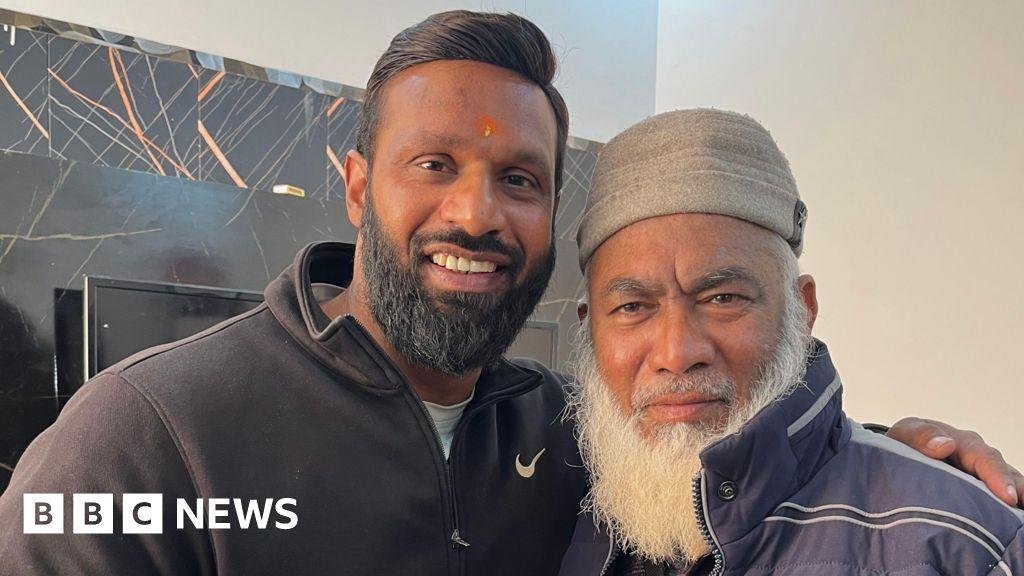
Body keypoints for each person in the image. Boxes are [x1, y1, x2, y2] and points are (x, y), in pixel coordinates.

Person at [0, 11, 1018, 576]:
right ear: (355, 185)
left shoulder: (572, 442)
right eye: (433, 164)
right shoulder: (145, 434)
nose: (477, 214)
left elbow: (725, 452)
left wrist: (886, 448)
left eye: (520, 179)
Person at [557, 108, 1024, 575]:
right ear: (588, 329)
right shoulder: (557, 494)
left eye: (722, 298)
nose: (676, 353)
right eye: (632, 307)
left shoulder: (963, 548)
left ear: (803, 310)